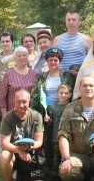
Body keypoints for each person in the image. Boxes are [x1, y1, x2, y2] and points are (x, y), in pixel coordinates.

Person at [30, 47, 72, 178]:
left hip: (64, 113)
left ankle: (63, 167)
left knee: (63, 140)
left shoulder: (67, 76)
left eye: (56, 60)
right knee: (48, 142)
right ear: (46, 61)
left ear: (59, 61)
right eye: (50, 60)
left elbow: (73, 94)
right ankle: (50, 168)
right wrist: (37, 116)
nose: (53, 62)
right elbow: (36, 97)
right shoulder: (41, 77)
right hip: (47, 114)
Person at [0, 89, 44, 181]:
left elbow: (39, 141)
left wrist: (27, 148)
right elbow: (4, 143)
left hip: (31, 154)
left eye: (24, 102)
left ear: (29, 101)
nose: (21, 105)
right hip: (13, 153)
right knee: (4, 155)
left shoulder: (36, 116)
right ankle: (8, 179)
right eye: (18, 102)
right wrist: (19, 151)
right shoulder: (8, 117)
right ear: (13, 101)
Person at [0, 46, 37, 116]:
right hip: (12, 114)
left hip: (29, 114)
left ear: (27, 57)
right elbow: (1, 98)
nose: (22, 58)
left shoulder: (33, 74)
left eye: (24, 55)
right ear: (15, 58)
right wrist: (5, 116)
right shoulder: (9, 74)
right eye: (19, 56)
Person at [53, 11, 93, 78]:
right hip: (61, 78)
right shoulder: (57, 40)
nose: (71, 22)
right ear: (65, 22)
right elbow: (53, 59)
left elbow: (91, 62)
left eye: (74, 20)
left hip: (80, 78)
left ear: (79, 22)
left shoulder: (87, 40)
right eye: (68, 20)